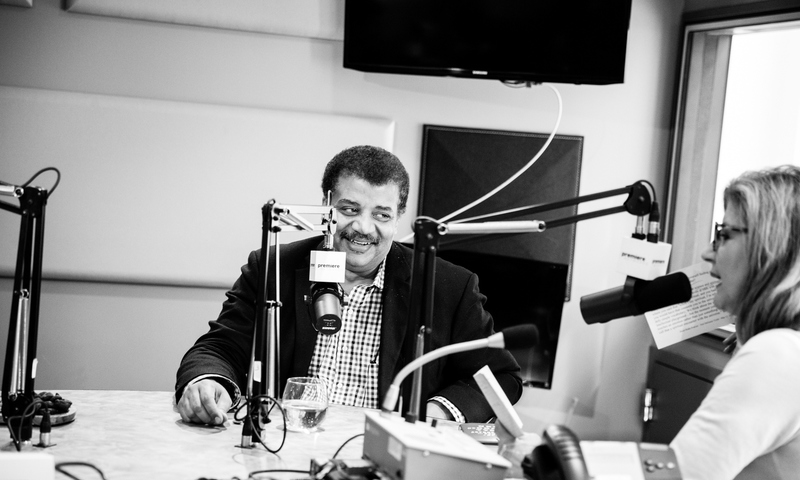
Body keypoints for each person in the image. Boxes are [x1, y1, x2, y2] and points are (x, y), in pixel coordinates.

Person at [175, 145, 523, 426]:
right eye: (350, 209)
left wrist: (435, 413)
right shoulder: (274, 267)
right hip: (287, 443)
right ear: (326, 205)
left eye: (381, 215)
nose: (363, 228)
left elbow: (502, 377)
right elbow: (219, 348)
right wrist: (208, 382)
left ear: (398, 217)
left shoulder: (448, 286)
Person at [670, 165, 800, 480]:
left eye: (724, 235)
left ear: (770, 246)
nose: (708, 252)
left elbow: (680, 476)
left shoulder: (776, 355)